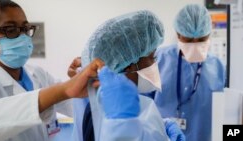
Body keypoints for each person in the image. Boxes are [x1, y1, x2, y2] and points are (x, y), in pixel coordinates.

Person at [0, 0, 104, 140]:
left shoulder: (37, 74)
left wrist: (83, 81)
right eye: (10, 30)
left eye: (26, 29)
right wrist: (62, 90)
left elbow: (73, 105)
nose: (22, 37)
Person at [70, 10, 185, 141]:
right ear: (130, 63)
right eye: (152, 57)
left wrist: (162, 126)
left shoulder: (99, 101)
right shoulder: (121, 114)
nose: (156, 63)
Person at [154, 4, 225, 141]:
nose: (195, 44)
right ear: (178, 34)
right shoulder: (157, 60)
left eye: (201, 40)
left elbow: (228, 111)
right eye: (189, 40)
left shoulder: (219, 67)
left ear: (209, 35)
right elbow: (143, 103)